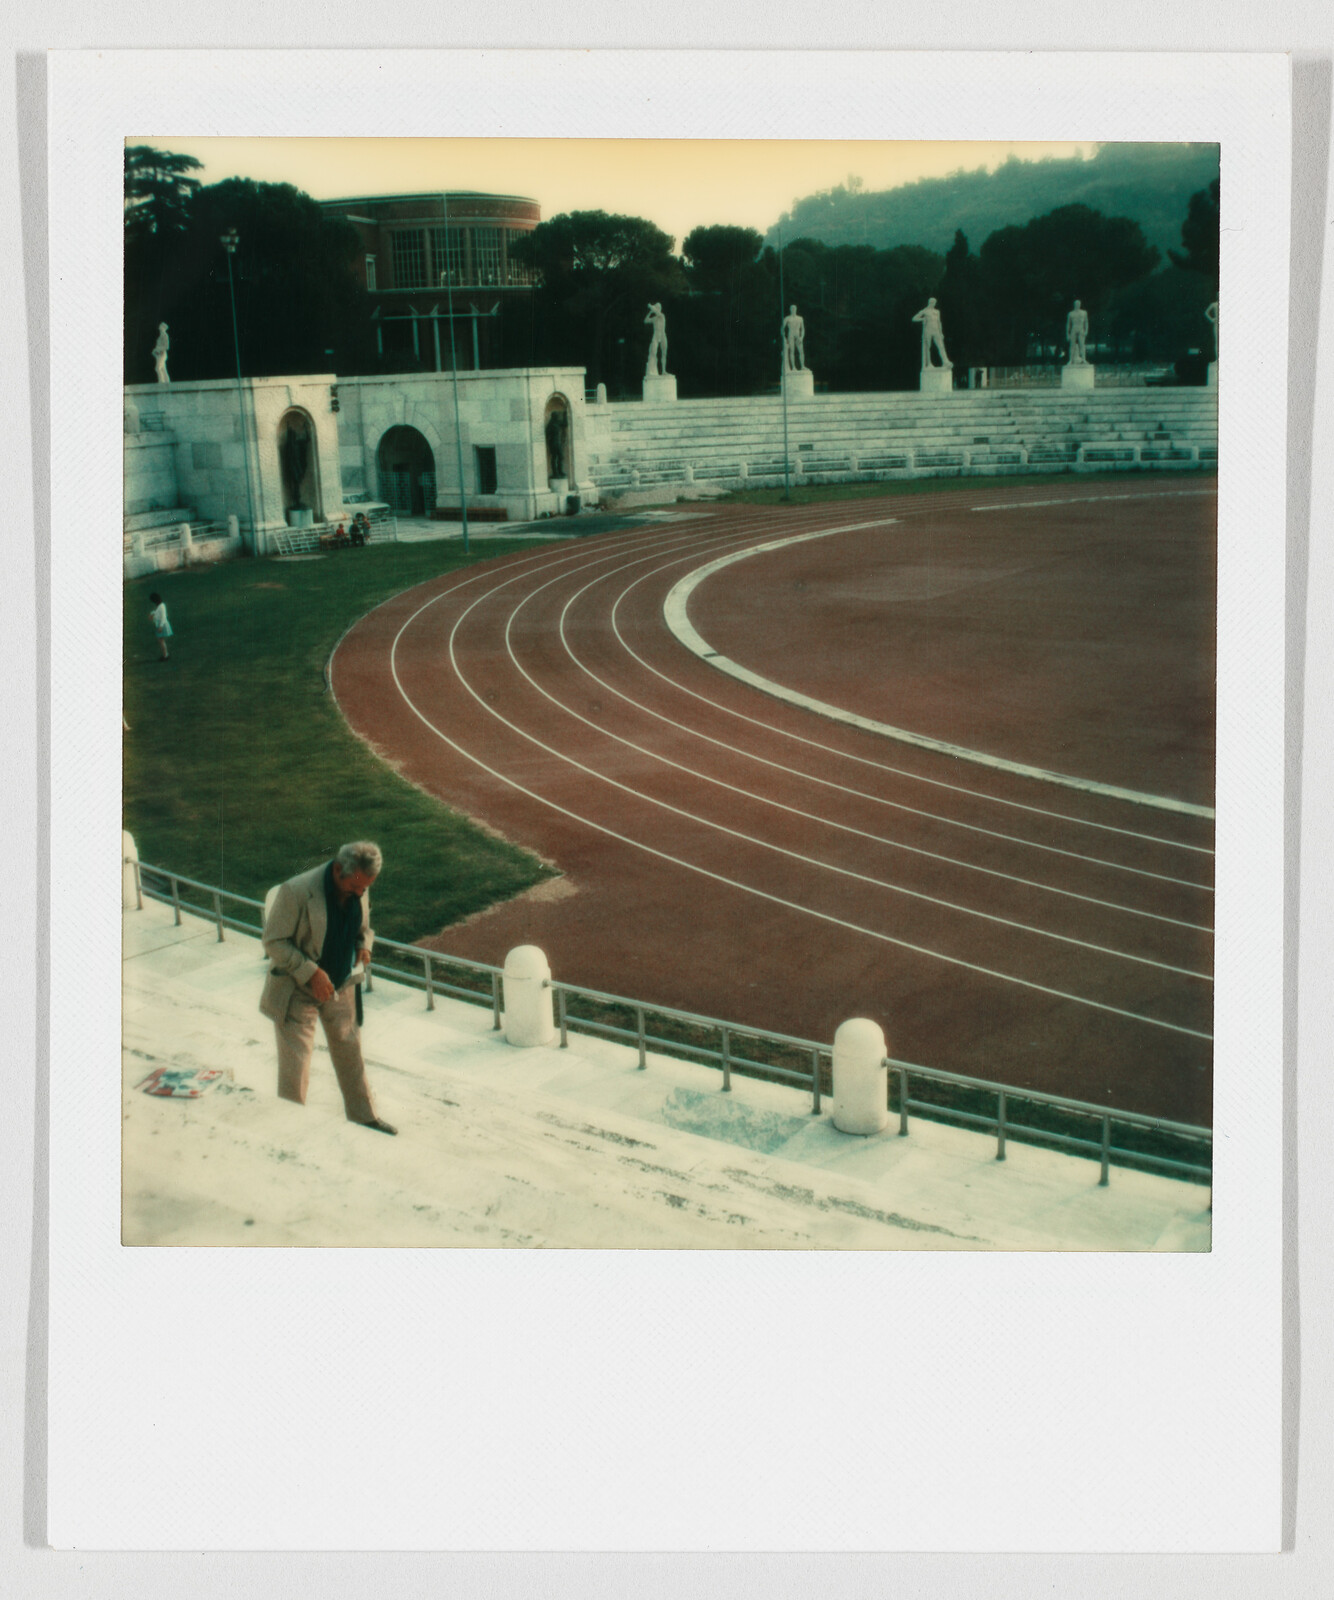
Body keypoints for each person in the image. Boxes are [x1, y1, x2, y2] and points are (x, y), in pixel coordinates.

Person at [259, 841, 396, 1135]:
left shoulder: (359, 881)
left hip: (342, 985)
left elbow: (364, 928)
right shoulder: (295, 891)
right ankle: (291, 1130)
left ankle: (365, 1118)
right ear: (337, 870)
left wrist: (364, 945)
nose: (360, 893)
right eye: (355, 888)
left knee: (351, 1054)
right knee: (296, 1068)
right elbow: (273, 941)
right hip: (297, 991)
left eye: (365, 889)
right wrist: (311, 973)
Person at [911, 299, 952, 369]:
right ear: (930, 303)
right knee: (928, 347)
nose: (934, 304)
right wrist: (922, 319)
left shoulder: (937, 312)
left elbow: (939, 322)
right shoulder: (925, 311)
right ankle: (928, 363)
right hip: (928, 330)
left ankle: (945, 361)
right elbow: (914, 318)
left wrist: (941, 332)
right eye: (933, 303)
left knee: (941, 346)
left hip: (936, 330)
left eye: (935, 303)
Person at [644, 302, 668, 376]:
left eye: (657, 308)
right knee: (653, 352)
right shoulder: (654, 319)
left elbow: (657, 313)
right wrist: (650, 312)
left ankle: (663, 370)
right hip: (656, 336)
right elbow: (645, 320)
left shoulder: (662, 316)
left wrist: (651, 306)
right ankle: (653, 369)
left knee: (664, 353)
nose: (657, 309)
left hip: (662, 335)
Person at [148, 591, 172, 661]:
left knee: (161, 640)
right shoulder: (160, 606)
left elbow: (163, 617)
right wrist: (152, 614)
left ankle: (165, 655)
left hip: (162, 625)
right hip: (160, 624)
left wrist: (161, 626)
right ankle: (165, 654)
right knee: (161, 640)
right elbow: (157, 613)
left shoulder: (161, 606)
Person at [1065, 299, 1090, 365]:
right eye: (1076, 304)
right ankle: (1071, 360)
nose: (1077, 305)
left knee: (1082, 345)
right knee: (1072, 345)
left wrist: (1086, 330)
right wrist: (1067, 333)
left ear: (1080, 304)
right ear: (1074, 305)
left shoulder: (1084, 312)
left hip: (1081, 329)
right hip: (1074, 329)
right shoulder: (1071, 313)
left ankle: (1084, 359)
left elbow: (1086, 322)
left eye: (1078, 304)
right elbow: (1068, 324)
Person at [782, 305, 806, 371]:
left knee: (801, 351)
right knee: (792, 351)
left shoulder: (800, 318)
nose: (793, 309)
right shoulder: (787, 318)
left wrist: (802, 337)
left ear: (796, 309)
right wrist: (784, 338)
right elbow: (782, 329)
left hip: (798, 335)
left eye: (794, 308)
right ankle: (793, 367)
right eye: (792, 308)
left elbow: (803, 329)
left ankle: (802, 366)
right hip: (791, 335)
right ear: (790, 309)